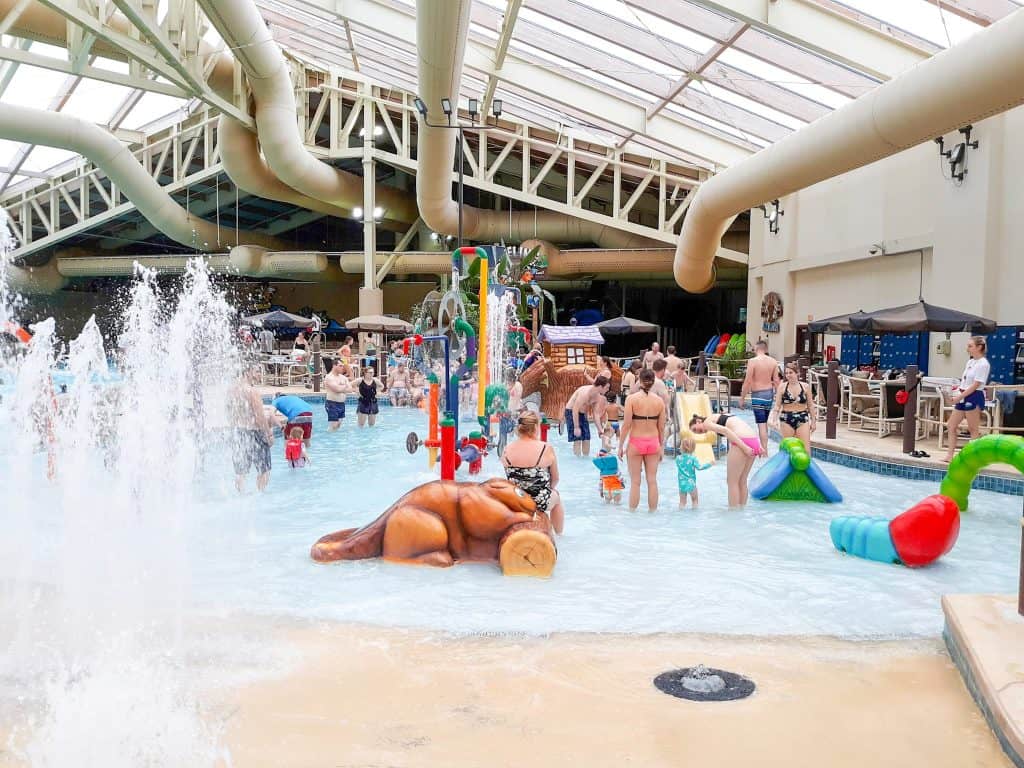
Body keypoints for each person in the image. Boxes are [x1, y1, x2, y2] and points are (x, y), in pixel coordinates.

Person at [501, 411, 565, 534]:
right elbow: (555, 478)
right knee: (557, 498)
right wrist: (549, 490)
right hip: (539, 501)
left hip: (516, 500)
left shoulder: (507, 449)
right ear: (536, 427)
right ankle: (559, 536)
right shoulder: (545, 448)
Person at [619, 369, 666, 512]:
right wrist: (661, 446)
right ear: (653, 382)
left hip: (636, 443)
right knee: (652, 481)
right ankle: (653, 513)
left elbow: (626, 425)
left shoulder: (631, 399)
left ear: (639, 381)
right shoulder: (659, 401)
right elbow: (661, 428)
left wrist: (620, 445)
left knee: (635, 482)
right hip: (653, 443)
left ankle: (632, 514)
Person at [690, 413, 760, 507]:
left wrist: (744, 447)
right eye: (696, 433)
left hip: (743, 441)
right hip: (754, 439)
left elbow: (726, 430)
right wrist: (758, 445)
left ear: (698, 421)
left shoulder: (707, 422)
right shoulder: (721, 415)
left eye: (695, 429)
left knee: (732, 482)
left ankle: (733, 514)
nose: (699, 432)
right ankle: (742, 512)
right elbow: (742, 425)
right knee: (742, 481)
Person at [943, 336, 991, 463]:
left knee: (973, 429)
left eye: (970, 346)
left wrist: (959, 397)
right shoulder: (970, 362)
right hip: (963, 394)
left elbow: (976, 385)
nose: (967, 348)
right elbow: (964, 381)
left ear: (979, 347)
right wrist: (956, 392)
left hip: (974, 396)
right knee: (951, 425)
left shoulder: (983, 364)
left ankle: (975, 458)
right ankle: (950, 455)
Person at [230, 365, 273, 492]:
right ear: (248, 372)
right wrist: (268, 434)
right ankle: (260, 495)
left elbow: (228, 412)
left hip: (238, 432)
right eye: (257, 371)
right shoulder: (252, 391)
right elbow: (259, 416)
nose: (260, 375)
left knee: (240, 471)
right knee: (264, 469)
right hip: (255, 432)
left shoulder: (231, 390)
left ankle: (240, 496)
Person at [739, 340, 781, 455]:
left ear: (756, 349)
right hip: (769, 394)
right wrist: (779, 397)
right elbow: (777, 381)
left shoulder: (752, 361)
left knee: (761, 425)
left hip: (758, 395)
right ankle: (765, 450)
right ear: (766, 349)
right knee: (764, 423)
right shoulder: (773, 361)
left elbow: (747, 381)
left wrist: (742, 397)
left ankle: (764, 452)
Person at [770, 362, 815, 453]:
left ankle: (806, 466)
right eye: (786, 373)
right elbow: (777, 406)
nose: (788, 375)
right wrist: (774, 419)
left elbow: (810, 405)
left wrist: (813, 421)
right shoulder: (782, 387)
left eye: (791, 373)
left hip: (802, 417)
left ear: (797, 373)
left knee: (806, 449)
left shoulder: (805, 387)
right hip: (786, 418)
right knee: (787, 448)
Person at [565, 375, 611, 457]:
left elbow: (596, 414)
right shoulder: (585, 393)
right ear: (601, 386)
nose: (608, 390)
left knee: (586, 438)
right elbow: (575, 409)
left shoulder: (597, 397)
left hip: (583, 414)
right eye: (607, 387)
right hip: (571, 412)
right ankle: (577, 461)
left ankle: (585, 459)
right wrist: (576, 427)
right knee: (578, 439)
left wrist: (600, 430)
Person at [675, 436, 712, 509]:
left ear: (682, 447)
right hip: (691, 484)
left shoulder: (678, 458)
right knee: (695, 501)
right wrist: (709, 464)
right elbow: (699, 467)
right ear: (693, 448)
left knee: (682, 502)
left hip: (681, 484)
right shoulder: (693, 458)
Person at [324, 359, 352, 431]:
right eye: (340, 366)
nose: (342, 368)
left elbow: (350, 389)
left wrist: (341, 387)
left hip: (341, 404)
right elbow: (337, 389)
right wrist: (345, 386)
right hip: (332, 403)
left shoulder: (343, 377)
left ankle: (331, 436)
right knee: (334, 425)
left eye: (342, 366)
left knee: (338, 425)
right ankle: (329, 439)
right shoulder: (329, 377)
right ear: (334, 366)